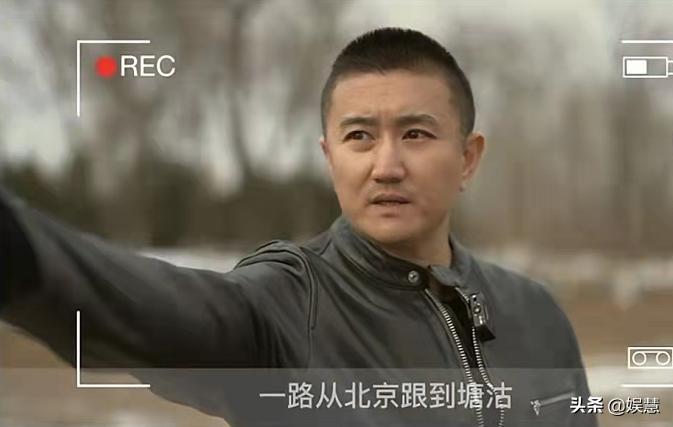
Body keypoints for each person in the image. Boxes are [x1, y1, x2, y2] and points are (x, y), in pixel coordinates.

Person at [0, 28, 596, 427]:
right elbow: (150, 308)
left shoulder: (535, 314)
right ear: (330, 157)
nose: (386, 165)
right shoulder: (286, 305)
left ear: (467, 158)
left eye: (416, 133)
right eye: (359, 136)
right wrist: (21, 250)